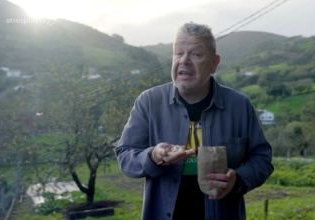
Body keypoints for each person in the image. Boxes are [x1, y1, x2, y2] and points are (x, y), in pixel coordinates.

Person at [115, 22, 273, 220]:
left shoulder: (239, 106)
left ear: (214, 63)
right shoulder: (149, 101)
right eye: (178, 53)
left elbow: (262, 159)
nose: (184, 61)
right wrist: (155, 156)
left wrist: (237, 179)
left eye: (196, 54)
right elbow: (125, 155)